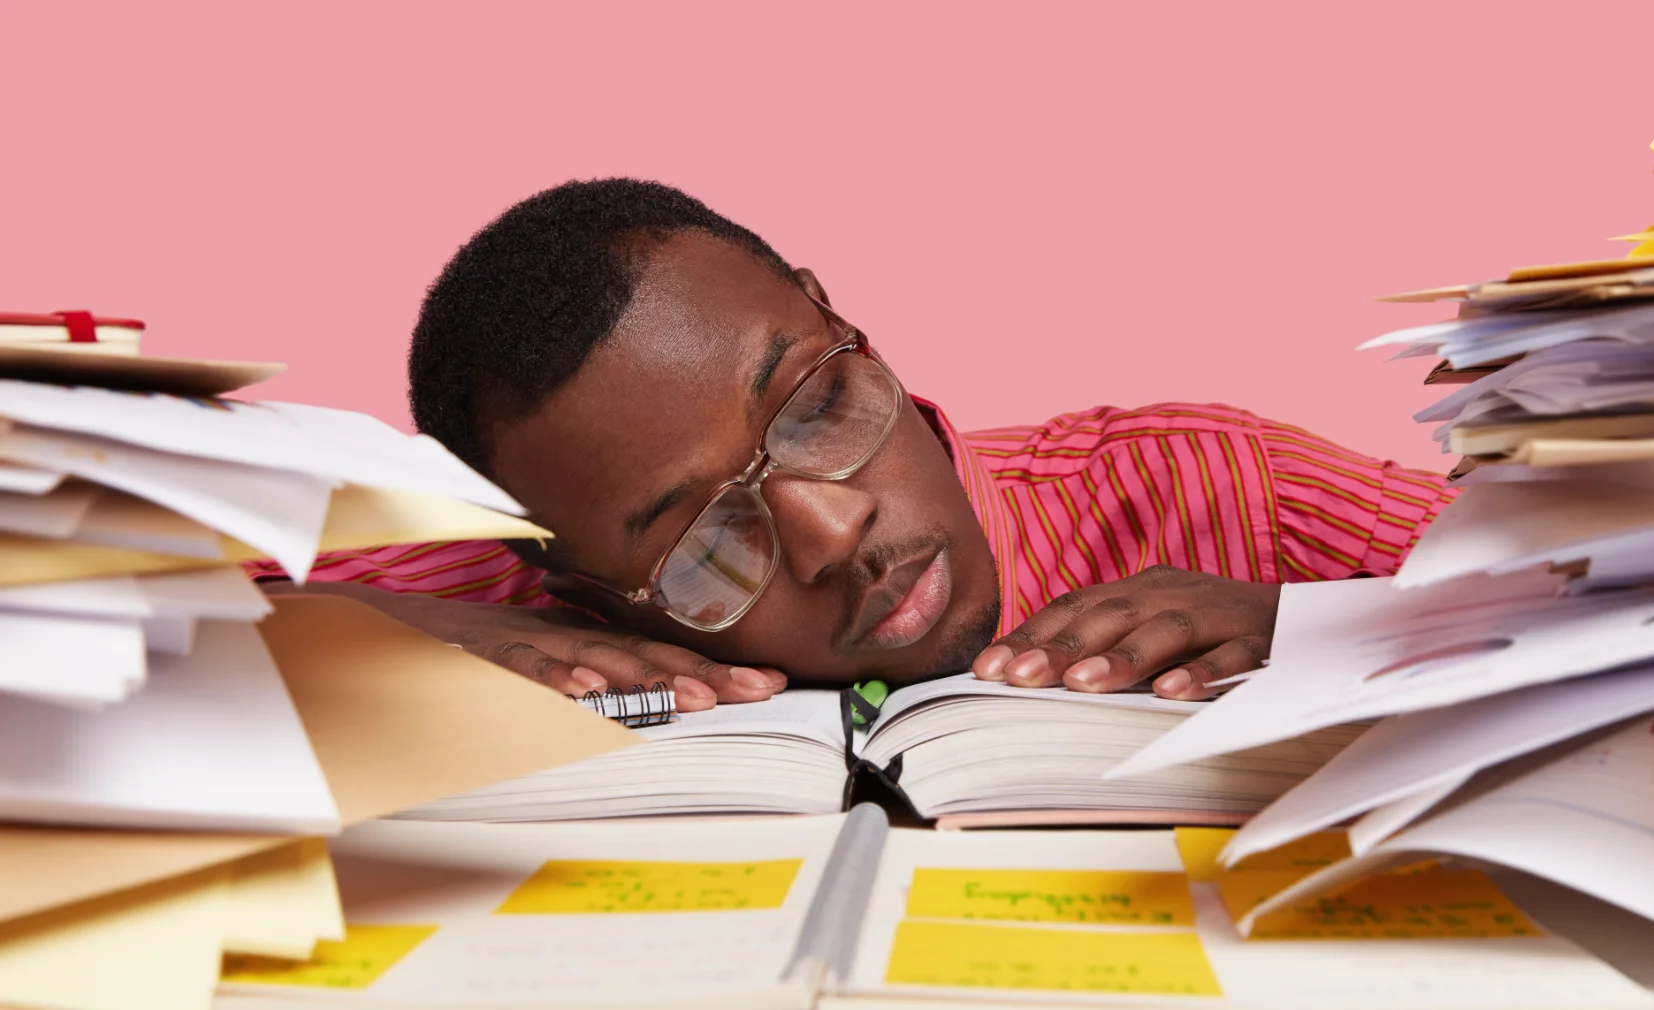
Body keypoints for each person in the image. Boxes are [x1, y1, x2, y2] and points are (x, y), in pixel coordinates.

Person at [265, 180, 1452, 710]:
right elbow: (114, 626)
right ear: (581, 589)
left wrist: (1318, 625)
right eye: (700, 547)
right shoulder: (496, 593)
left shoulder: (1213, 486)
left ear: (841, 321)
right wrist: (381, 628)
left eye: (814, 407)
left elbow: (1616, 586)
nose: (835, 536)